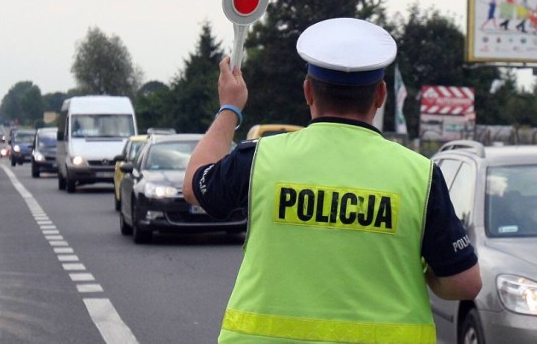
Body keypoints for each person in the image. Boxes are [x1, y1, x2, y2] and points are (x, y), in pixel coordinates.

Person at [183, 18, 482, 343]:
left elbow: (195, 185)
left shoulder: (259, 159)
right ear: (380, 95)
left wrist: (229, 108)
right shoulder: (420, 175)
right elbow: (465, 283)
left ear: (308, 90)